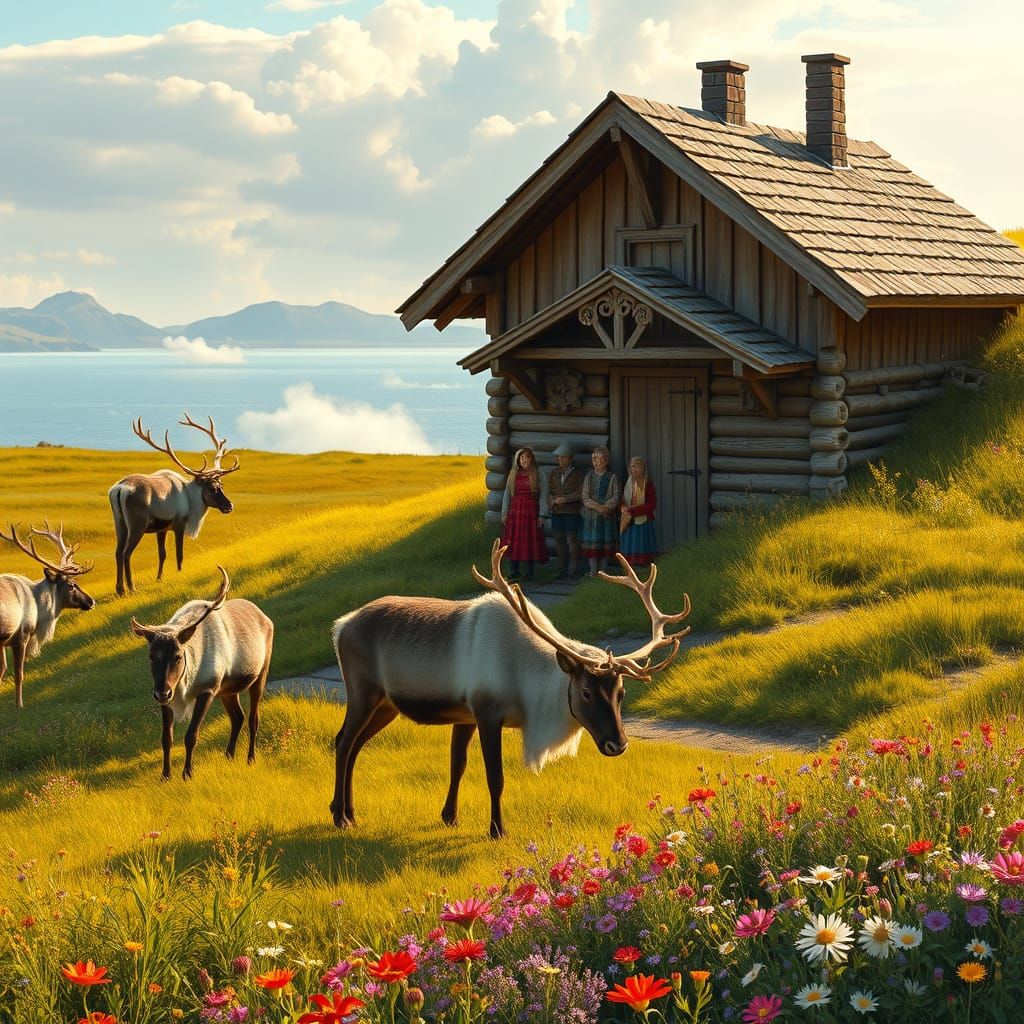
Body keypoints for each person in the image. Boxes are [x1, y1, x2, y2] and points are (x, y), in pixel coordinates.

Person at [501, 446, 549, 581]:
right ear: (518, 460)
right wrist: (504, 513)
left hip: (531, 512)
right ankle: (513, 571)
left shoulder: (539, 474)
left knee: (530, 541)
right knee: (513, 541)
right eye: (521, 457)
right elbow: (507, 495)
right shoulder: (513, 475)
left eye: (527, 457)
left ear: (532, 459)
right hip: (516, 512)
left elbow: (544, 495)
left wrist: (542, 515)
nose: (524, 460)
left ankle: (529, 572)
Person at [579, 445, 620, 577]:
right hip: (591, 516)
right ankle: (593, 571)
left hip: (607, 515)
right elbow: (585, 496)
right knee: (592, 546)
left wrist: (606, 507)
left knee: (605, 545)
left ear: (606, 460)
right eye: (594, 458)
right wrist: (597, 507)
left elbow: (616, 496)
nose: (595, 461)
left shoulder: (612, 477)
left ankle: (603, 571)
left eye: (598, 458)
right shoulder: (589, 477)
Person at [547, 441, 583, 580]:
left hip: (572, 512)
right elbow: (549, 491)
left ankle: (573, 570)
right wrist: (551, 501)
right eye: (558, 457)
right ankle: (561, 569)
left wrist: (566, 499)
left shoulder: (578, 474)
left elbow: (580, 492)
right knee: (559, 540)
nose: (559, 459)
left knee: (572, 540)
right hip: (557, 512)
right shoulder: (554, 473)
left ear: (570, 458)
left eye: (563, 457)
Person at [619, 455, 658, 567]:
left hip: (643, 521)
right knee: (630, 543)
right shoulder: (628, 483)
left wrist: (634, 509)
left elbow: (652, 504)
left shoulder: (648, 484)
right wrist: (623, 508)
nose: (634, 469)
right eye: (632, 466)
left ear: (643, 468)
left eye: (638, 466)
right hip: (629, 520)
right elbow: (622, 500)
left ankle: (643, 564)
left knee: (642, 542)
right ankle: (629, 564)